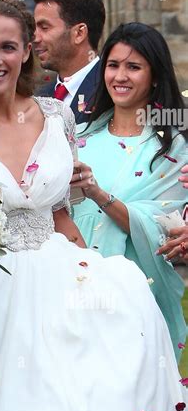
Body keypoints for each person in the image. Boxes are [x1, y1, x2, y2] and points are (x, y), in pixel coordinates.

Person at [0, 0, 187, 411]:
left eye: (9, 47)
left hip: (63, 273)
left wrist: (93, 270)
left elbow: (61, 215)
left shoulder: (56, 116)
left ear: (27, 52)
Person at [71, 23, 187, 357]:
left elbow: (163, 226)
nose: (120, 76)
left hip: (136, 296)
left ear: (154, 76)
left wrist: (99, 195)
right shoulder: (77, 137)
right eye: (113, 65)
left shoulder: (172, 148)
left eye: (133, 67)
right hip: (71, 287)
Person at [34, 0, 105, 123]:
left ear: (79, 33)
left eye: (44, 27)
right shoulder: (39, 99)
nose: (35, 37)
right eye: (34, 28)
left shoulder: (110, 92)